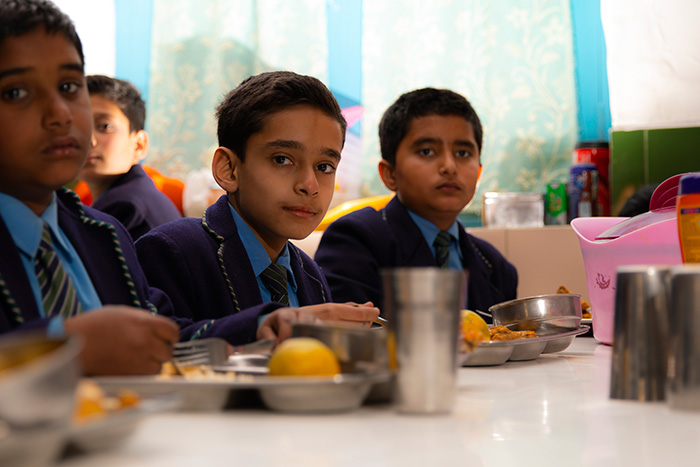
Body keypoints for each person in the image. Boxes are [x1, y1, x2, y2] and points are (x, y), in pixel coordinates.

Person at [0, 0, 179, 375]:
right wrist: (61, 348)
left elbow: (155, 335)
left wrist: (260, 324)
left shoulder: (104, 232)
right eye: (16, 93)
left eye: (69, 86)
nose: (60, 114)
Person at [136, 71, 379, 344]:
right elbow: (155, 344)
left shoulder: (310, 274)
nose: (310, 185)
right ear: (228, 169)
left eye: (324, 167)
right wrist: (263, 325)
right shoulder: (172, 249)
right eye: (282, 159)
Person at [314, 88, 518, 321]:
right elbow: (349, 334)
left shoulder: (496, 265)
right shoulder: (355, 240)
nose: (449, 167)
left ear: (479, 173)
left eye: (462, 153)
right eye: (427, 151)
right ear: (390, 173)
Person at [79, 74, 181, 240]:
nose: (89, 139)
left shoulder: (125, 206)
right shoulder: (137, 193)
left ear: (139, 144)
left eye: (104, 126)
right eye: (79, 126)